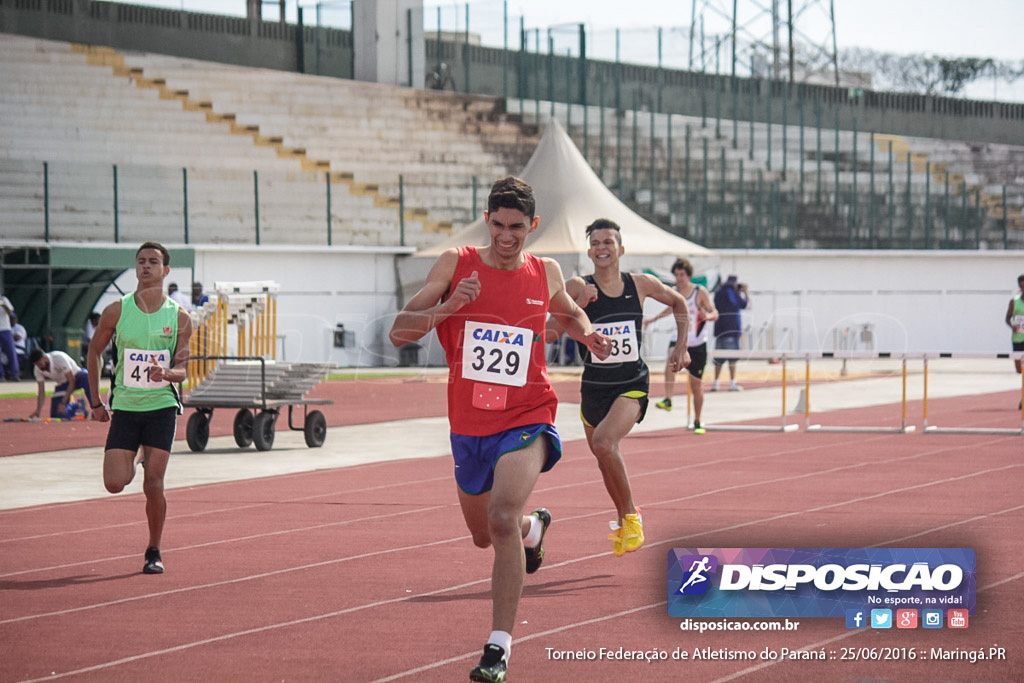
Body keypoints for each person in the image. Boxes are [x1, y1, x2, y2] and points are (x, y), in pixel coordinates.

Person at [388, 177, 610, 683]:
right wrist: (450, 306)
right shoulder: (455, 263)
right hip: (469, 425)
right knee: (483, 535)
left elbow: (570, 314)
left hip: (527, 414)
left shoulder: (546, 270)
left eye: (517, 228)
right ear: (486, 221)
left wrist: (590, 335)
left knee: (501, 517)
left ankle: (498, 647)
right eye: (498, 225)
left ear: (533, 226)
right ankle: (536, 530)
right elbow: (398, 330)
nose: (507, 237)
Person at [546, 218, 689, 557]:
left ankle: (630, 517)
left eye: (608, 242)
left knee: (605, 443)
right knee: (602, 457)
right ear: (589, 250)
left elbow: (679, 303)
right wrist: (579, 307)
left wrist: (681, 346)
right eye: (595, 243)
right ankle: (627, 515)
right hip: (594, 387)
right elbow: (549, 332)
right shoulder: (578, 286)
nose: (602, 248)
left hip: (631, 383)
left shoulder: (639, 284)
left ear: (620, 249)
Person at [87, 242, 193, 575]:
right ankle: (136, 455)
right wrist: (94, 401)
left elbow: (183, 369)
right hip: (126, 408)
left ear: (166, 271)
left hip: (161, 407)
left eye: (153, 262)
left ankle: (153, 549)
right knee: (115, 483)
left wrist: (167, 373)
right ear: (136, 268)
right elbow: (94, 354)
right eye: (141, 261)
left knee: (154, 485)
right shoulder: (116, 311)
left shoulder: (179, 317)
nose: (146, 266)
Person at [644, 258, 719, 434]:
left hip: (697, 342)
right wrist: (652, 320)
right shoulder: (675, 293)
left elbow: (714, 312)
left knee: (696, 386)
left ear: (689, 275)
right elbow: (669, 310)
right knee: (670, 361)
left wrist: (708, 317)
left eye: (682, 275)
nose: (679, 278)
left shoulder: (699, 292)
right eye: (676, 275)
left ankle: (698, 421)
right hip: (679, 338)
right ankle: (668, 399)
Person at [28, 348, 93, 419]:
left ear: (45, 358)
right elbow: (41, 391)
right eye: (36, 365)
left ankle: (95, 409)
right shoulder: (37, 369)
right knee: (56, 415)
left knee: (86, 376)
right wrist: (38, 411)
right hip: (63, 384)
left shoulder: (59, 358)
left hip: (76, 377)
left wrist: (63, 402)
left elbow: (72, 381)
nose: (39, 367)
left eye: (40, 364)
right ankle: (79, 408)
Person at [711, 274, 750, 392]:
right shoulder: (734, 294)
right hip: (732, 331)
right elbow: (745, 305)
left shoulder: (719, 293)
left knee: (718, 359)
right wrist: (745, 292)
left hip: (720, 330)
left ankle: (716, 382)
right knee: (732, 359)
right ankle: (732, 382)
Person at [1007, 273, 1024, 410]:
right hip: (1017, 338)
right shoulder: (1014, 301)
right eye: (1021, 286)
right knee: (1019, 370)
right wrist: (1012, 326)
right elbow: (1007, 318)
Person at [0, 291, 18, 381]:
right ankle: (1, 375)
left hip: (5, 329)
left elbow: (11, 312)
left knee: (11, 352)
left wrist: (4, 305)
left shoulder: (4, 299)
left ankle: (15, 374)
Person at [11, 313, 28, 379]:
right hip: (5, 351)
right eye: (10, 319)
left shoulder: (19, 327)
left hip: (19, 350)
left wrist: (6, 336)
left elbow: (16, 338)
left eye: (13, 319)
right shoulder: (4, 327)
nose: (11, 320)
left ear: (16, 320)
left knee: (13, 355)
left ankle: (15, 374)